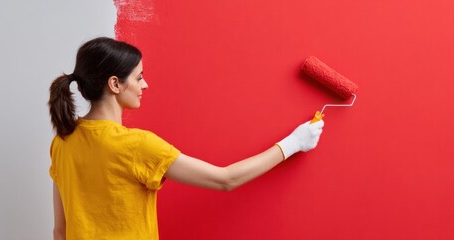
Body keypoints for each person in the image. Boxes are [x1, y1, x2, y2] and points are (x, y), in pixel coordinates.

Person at [48, 37, 324, 240]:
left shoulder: (62, 141)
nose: (145, 85)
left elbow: (60, 231)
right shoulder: (137, 146)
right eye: (139, 77)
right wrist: (293, 143)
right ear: (115, 84)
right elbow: (224, 179)